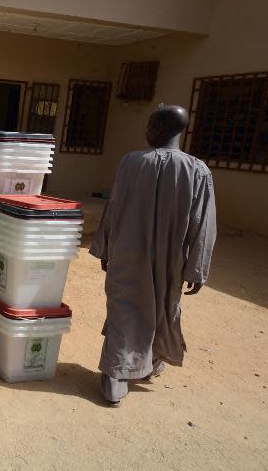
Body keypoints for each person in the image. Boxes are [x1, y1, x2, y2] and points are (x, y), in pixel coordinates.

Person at [90, 104, 217, 406]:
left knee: (126, 309)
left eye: (148, 125)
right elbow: (204, 224)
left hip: (128, 255)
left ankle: (118, 375)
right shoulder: (198, 170)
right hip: (172, 260)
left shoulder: (131, 163)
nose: (145, 131)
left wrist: (105, 248)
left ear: (158, 128)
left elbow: (114, 208)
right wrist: (197, 269)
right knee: (162, 306)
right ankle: (131, 368)